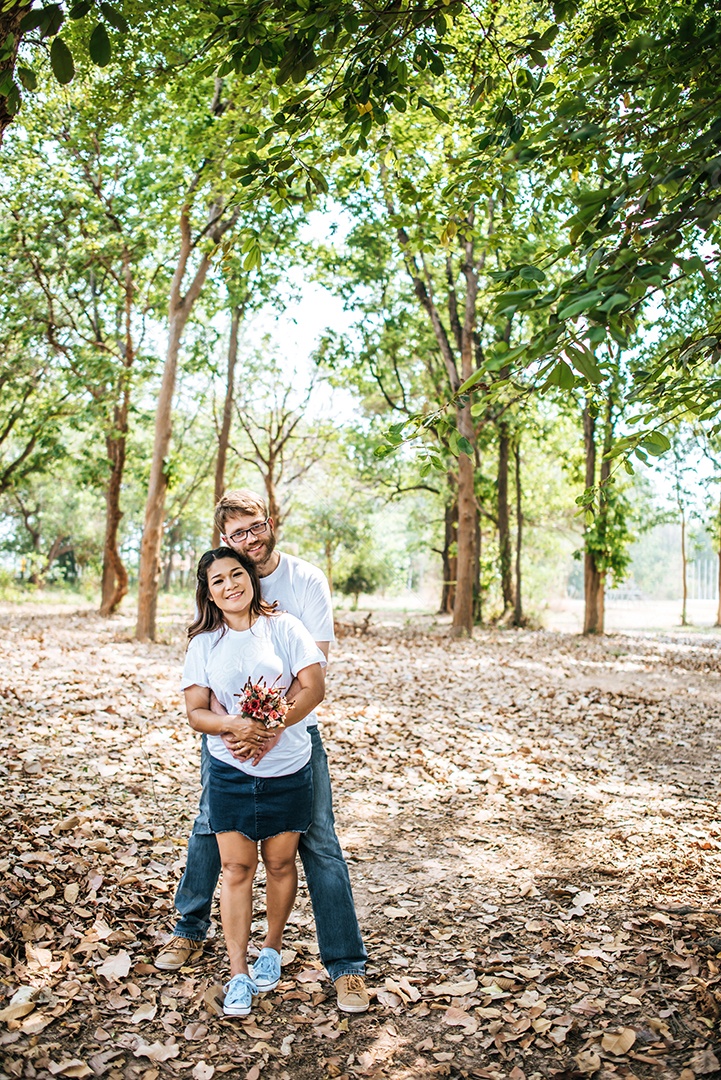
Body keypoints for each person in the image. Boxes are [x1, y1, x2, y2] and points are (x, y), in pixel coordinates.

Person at [158, 490, 369, 1013]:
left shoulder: (303, 582)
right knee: (213, 830)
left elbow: (312, 672)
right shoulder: (215, 606)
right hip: (229, 743)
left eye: (254, 528)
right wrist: (234, 729)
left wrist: (273, 725)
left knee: (316, 844)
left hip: (296, 735)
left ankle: (345, 965)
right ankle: (190, 929)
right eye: (236, 535)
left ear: (268, 523)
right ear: (223, 543)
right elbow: (199, 695)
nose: (248, 541)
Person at [181, 546, 326, 1015]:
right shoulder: (205, 643)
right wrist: (235, 728)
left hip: (287, 766)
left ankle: (272, 948)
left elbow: (314, 687)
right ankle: (238, 971)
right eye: (217, 580)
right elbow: (196, 712)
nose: (230, 585)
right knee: (237, 870)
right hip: (231, 771)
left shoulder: (284, 627)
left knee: (282, 865)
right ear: (209, 592)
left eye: (236, 574)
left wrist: (271, 726)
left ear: (250, 577)